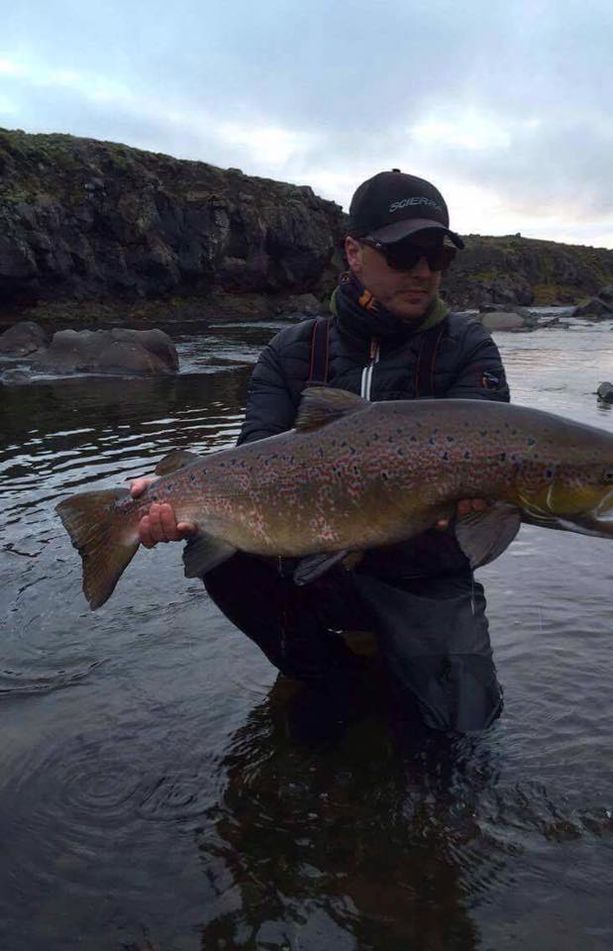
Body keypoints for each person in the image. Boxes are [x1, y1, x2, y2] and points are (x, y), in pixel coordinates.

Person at [131, 169, 511, 732]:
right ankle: (328, 675)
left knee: (465, 732)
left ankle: (399, 664)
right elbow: (254, 459)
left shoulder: (468, 348)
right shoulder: (291, 351)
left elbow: (494, 461)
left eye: (439, 256)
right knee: (230, 558)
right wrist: (180, 500)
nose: (424, 271)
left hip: (422, 578)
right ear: (354, 253)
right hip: (308, 563)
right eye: (405, 253)